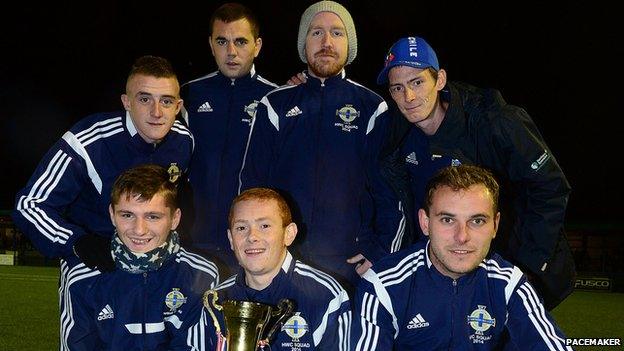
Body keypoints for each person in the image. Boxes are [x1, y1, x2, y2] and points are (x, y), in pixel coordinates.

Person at [375, 36, 574, 309]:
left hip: (507, 265)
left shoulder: (494, 123)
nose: (408, 97)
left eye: (417, 82)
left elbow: (550, 188)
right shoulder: (395, 135)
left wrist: (526, 268)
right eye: (397, 88)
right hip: (440, 277)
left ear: (440, 80)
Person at [12, 55, 194, 341]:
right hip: (97, 272)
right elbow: (30, 204)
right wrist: (77, 243)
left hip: (159, 274)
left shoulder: (184, 141)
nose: (157, 112)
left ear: (178, 106)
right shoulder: (89, 140)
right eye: (145, 99)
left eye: (167, 101)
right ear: (126, 102)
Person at [239, 0, 401, 289]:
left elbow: (389, 192)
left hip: (349, 262)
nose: (326, 42)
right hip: (282, 260)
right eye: (316, 32)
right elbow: (252, 185)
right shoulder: (276, 104)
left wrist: (379, 252)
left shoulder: (372, 107)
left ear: (349, 45)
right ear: (304, 43)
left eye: (337, 33)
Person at [352, 165, 571, 350]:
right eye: (447, 220)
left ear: (495, 225)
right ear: (425, 223)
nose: (462, 237)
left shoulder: (508, 283)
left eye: (477, 221)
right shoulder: (383, 285)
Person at [63, 164, 219, 350]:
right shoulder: (82, 277)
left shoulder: (201, 275)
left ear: (174, 219)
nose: (139, 229)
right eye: (127, 215)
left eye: (153, 217)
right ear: (112, 215)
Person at [180, 2, 277, 276]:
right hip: (192, 241)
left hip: (252, 244)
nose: (231, 51)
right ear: (211, 44)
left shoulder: (276, 100)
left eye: (241, 41)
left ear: (257, 46)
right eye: (222, 41)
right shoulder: (187, 96)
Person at [199, 188, 351, 350]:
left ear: (289, 234)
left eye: (264, 226)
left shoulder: (326, 296)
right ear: (230, 239)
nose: (252, 237)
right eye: (241, 228)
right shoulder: (217, 300)